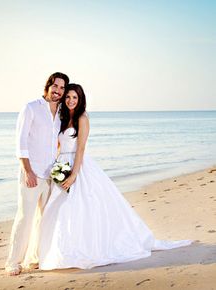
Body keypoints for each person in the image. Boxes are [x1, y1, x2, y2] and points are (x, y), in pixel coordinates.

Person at [38, 84, 192, 270]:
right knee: (57, 209)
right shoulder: (62, 118)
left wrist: (74, 175)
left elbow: (81, 148)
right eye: (68, 97)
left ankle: (81, 249)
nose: (71, 100)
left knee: (80, 207)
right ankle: (55, 250)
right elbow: (58, 146)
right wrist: (54, 167)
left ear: (80, 100)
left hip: (77, 167)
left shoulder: (82, 118)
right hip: (62, 166)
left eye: (75, 98)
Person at [5, 72, 69, 275]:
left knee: (45, 219)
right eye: (55, 86)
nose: (58, 91)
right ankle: (13, 262)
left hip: (50, 175)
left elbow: (58, 143)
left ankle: (36, 258)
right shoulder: (31, 107)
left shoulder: (60, 113)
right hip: (32, 174)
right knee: (25, 218)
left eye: (62, 88)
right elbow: (21, 142)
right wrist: (27, 171)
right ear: (48, 86)